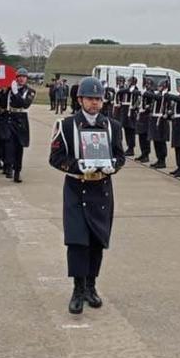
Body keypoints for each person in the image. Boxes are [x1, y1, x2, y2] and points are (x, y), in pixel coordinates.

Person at [49, 76, 126, 315]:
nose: (95, 103)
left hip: (101, 190)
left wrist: (114, 165)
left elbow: (120, 155)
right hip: (76, 189)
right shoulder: (66, 125)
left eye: (98, 99)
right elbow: (55, 158)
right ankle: (77, 289)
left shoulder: (113, 126)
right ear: (80, 99)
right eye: (90, 98)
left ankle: (92, 286)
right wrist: (77, 167)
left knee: (96, 241)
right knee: (77, 242)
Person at [5, 68, 36, 183]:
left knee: (19, 147)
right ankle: (8, 166)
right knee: (8, 145)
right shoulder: (10, 89)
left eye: (24, 76)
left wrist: (16, 92)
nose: (21, 78)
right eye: (19, 76)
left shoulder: (30, 91)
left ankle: (17, 171)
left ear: (26, 79)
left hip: (21, 119)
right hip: (10, 117)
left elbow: (25, 104)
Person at [148, 79, 170, 169]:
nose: (159, 88)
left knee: (161, 141)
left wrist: (147, 93)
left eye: (160, 86)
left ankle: (162, 160)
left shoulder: (166, 95)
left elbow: (160, 99)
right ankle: (158, 159)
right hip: (155, 119)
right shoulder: (159, 94)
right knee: (156, 141)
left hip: (162, 120)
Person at [116, 77, 139, 157]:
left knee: (131, 131)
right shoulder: (128, 88)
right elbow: (121, 92)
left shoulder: (134, 89)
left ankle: (131, 147)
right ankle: (129, 147)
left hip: (130, 112)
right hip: (125, 111)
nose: (128, 82)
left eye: (129, 81)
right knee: (126, 130)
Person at [135, 78, 155, 163]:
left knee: (145, 137)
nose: (147, 85)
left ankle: (146, 154)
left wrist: (146, 107)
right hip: (141, 116)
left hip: (146, 117)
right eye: (146, 84)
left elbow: (151, 102)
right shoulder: (144, 92)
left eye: (148, 84)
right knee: (141, 136)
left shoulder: (151, 93)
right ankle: (143, 153)